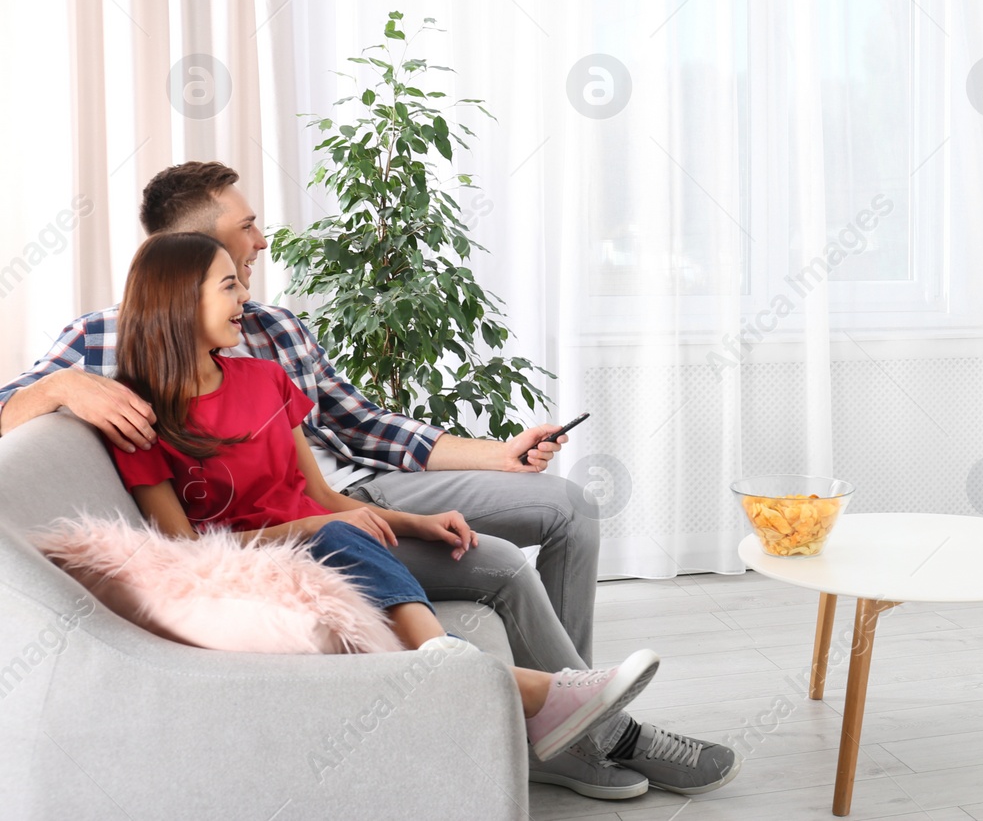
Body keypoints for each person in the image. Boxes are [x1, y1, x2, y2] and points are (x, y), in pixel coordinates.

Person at [0, 162, 739, 800]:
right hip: (289, 532)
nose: (262, 241)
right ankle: (594, 731)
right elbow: (25, 414)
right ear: (186, 254)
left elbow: (365, 427)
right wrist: (63, 387)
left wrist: (494, 455)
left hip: (342, 494)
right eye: (246, 229)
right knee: (497, 562)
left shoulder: (273, 340)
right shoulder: (110, 338)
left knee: (560, 510)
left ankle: (574, 722)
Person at [106, 231, 661, 764]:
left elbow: (319, 493)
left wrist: (416, 523)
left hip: (330, 540)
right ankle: (488, 674)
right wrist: (304, 531)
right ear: (179, 298)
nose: (245, 297)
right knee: (337, 530)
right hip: (257, 561)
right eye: (228, 285)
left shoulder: (266, 380)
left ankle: (524, 696)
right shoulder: (141, 416)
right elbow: (182, 547)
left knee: (460, 550)